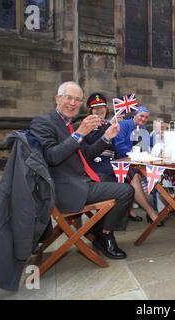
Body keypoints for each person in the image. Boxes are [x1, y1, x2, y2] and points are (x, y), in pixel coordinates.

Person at [29, 81, 135, 260]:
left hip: (81, 180)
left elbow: (86, 155)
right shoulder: (43, 123)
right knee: (125, 192)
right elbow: (52, 157)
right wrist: (79, 134)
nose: (72, 103)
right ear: (57, 99)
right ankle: (104, 233)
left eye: (77, 99)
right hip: (64, 189)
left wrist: (107, 137)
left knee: (120, 182)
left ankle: (98, 229)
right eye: (68, 98)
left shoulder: (67, 124)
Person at [85, 93, 163, 226]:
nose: (99, 110)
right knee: (132, 174)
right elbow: (93, 140)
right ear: (90, 110)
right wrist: (110, 124)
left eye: (102, 107)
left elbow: (121, 146)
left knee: (136, 174)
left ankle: (133, 210)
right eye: (95, 108)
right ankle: (150, 212)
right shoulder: (87, 124)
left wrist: (157, 134)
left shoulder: (115, 125)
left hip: (111, 163)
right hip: (95, 166)